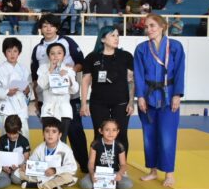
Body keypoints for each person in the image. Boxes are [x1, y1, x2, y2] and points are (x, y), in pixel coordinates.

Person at [30, 13, 88, 172]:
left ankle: (83, 165)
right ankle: (52, 167)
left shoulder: (66, 42)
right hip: (47, 99)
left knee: (75, 131)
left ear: (57, 28)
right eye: (44, 26)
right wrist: (37, 100)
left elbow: (81, 62)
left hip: (69, 98)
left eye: (51, 25)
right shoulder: (38, 49)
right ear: (40, 29)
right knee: (51, 134)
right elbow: (36, 78)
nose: (48, 29)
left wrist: (69, 72)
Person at [134, 14, 185, 188]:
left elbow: (180, 72)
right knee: (149, 136)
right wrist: (140, 96)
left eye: (152, 26)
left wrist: (177, 94)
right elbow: (138, 74)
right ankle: (153, 171)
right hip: (148, 97)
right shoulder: (141, 49)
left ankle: (169, 174)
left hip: (168, 96)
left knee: (167, 136)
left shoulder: (175, 47)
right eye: (146, 27)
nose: (149, 29)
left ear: (162, 26)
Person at [80, 26, 134, 159]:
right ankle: (99, 164)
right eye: (112, 35)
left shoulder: (126, 56)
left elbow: (132, 81)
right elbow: (85, 81)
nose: (116, 38)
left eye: (117, 35)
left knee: (121, 134)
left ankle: (121, 165)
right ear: (103, 39)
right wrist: (83, 104)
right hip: (98, 103)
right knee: (99, 134)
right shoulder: (92, 57)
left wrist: (131, 102)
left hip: (121, 102)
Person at [15, 118, 78, 189]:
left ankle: (38, 185)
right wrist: (26, 166)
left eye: (54, 131)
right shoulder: (40, 148)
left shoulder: (65, 149)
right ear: (43, 134)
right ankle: (53, 186)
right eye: (47, 131)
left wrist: (55, 170)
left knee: (68, 177)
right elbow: (32, 162)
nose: (50, 134)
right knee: (18, 172)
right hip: (42, 175)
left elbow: (73, 167)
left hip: (57, 175)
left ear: (59, 135)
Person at [36, 43, 78, 142]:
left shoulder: (69, 69)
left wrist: (67, 78)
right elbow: (41, 85)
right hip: (48, 110)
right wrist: (50, 71)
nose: (56, 56)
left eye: (59, 53)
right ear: (48, 56)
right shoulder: (43, 68)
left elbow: (75, 90)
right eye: (52, 53)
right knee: (48, 140)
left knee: (62, 140)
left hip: (64, 110)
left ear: (64, 55)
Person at [0, 37, 30, 136]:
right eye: (9, 51)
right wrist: (6, 92)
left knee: (24, 135)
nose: (12, 54)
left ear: (19, 53)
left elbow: (28, 87)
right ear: (4, 53)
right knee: (6, 135)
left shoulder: (24, 69)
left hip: (20, 107)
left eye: (15, 51)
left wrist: (27, 91)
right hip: (6, 106)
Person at [79, 119, 133, 189]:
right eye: (107, 130)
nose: (111, 133)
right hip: (97, 173)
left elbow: (123, 164)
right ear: (101, 131)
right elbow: (91, 162)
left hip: (113, 173)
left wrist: (119, 174)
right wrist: (92, 174)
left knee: (127, 184)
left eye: (114, 130)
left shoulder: (120, 145)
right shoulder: (95, 144)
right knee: (85, 184)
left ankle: (107, 184)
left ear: (118, 132)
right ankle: (108, 185)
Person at [0, 114, 30, 186]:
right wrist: (3, 167)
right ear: (5, 130)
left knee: (16, 178)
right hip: (4, 168)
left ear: (19, 130)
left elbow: (26, 158)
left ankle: (12, 178)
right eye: (9, 133)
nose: (11, 136)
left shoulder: (24, 140)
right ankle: (7, 178)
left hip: (18, 168)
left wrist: (19, 166)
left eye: (14, 134)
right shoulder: (2, 139)